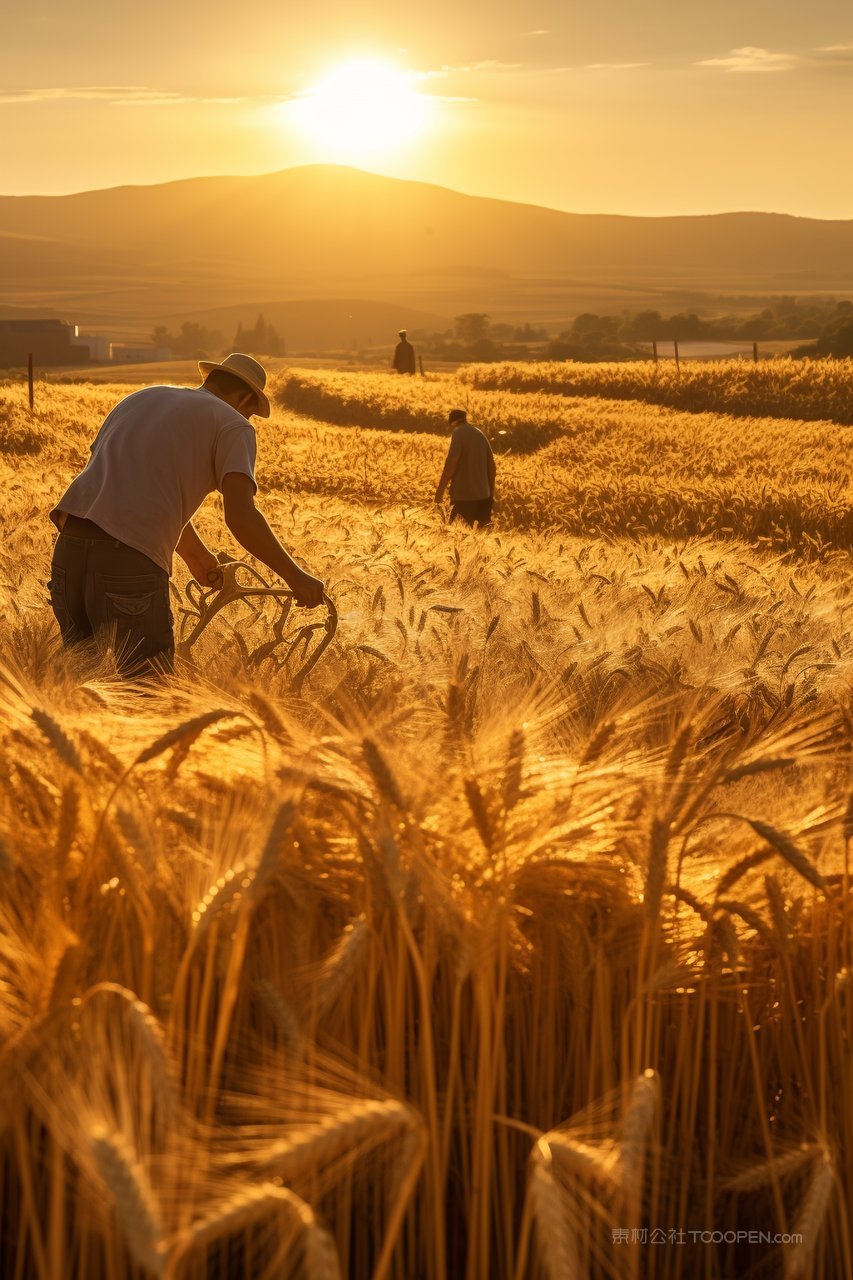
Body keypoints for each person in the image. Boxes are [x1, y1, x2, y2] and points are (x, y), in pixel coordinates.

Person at [47, 352, 325, 676]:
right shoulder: (233, 424)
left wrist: (196, 557)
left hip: (69, 550)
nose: (248, 419)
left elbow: (132, 490)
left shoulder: (141, 398)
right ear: (246, 397)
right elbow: (241, 516)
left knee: (78, 687)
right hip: (128, 563)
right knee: (146, 690)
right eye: (251, 411)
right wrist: (295, 576)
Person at [434, 409, 496, 527]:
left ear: (451, 421)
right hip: (484, 496)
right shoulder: (480, 433)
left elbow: (452, 462)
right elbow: (492, 467)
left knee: (455, 533)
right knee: (481, 538)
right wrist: (490, 493)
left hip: (464, 496)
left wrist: (440, 492)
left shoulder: (458, 433)